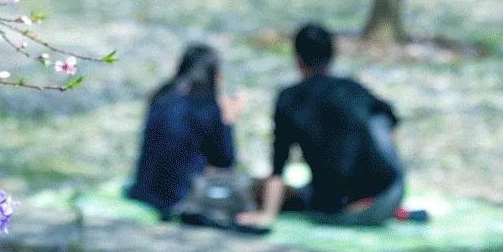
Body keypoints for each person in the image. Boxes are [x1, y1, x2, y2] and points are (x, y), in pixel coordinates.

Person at [238, 22, 404, 230]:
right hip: (384, 199)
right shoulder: (352, 89)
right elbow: (391, 120)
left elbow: (279, 167)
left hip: (331, 207)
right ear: (332, 56)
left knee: (265, 187)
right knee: (379, 120)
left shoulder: (289, 99)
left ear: (298, 60)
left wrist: (267, 215)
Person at [127, 43, 246, 219]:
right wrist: (228, 119)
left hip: (145, 189)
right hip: (183, 196)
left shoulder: (161, 97)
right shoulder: (207, 107)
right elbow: (226, 160)